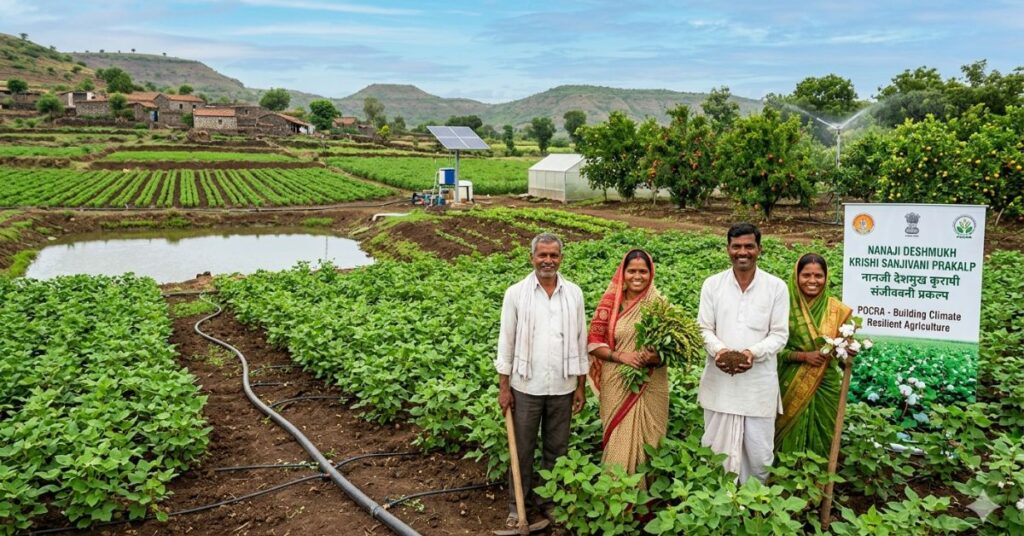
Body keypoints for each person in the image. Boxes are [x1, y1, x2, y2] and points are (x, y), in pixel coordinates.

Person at [495, 233, 589, 528]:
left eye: (554, 256)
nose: (548, 261)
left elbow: (580, 339)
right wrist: (504, 388)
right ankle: (516, 506)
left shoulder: (574, 293)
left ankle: (549, 502)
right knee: (522, 450)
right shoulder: (516, 293)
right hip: (526, 386)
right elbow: (505, 342)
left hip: (563, 386)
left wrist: (581, 386)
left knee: (556, 449)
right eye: (542, 255)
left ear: (561, 258)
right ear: (531, 257)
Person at [697, 223, 789, 484]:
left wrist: (752, 353)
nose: (742, 252)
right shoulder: (712, 285)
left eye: (749, 246)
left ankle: (752, 504)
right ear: (728, 249)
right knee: (716, 450)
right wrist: (721, 351)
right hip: (720, 383)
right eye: (736, 246)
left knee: (759, 453)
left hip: (758, 386)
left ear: (759, 249)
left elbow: (780, 334)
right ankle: (718, 501)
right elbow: (704, 328)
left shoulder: (776, 287)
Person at [587, 249, 668, 481]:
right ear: (623, 273)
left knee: (650, 439)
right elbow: (594, 342)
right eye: (632, 271)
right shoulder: (611, 305)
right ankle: (618, 494)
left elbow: (673, 348)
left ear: (650, 273)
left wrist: (656, 357)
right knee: (619, 436)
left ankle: (647, 502)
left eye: (643, 271)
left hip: (652, 381)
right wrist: (621, 356)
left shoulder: (660, 304)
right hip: (617, 381)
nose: (637, 276)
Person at [775, 253, 853, 456]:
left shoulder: (837, 310)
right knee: (785, 435)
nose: (812, 281)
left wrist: (848, 352)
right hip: (788, 382)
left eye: (818, 276)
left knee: (822, 434)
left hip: (824, 383)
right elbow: (771, 349)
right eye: (806, 275)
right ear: (796, 276)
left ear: (826, 278)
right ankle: (782, 483)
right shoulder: (782, 307)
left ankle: (817, 485)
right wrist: (803, 356)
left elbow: (844, 356)